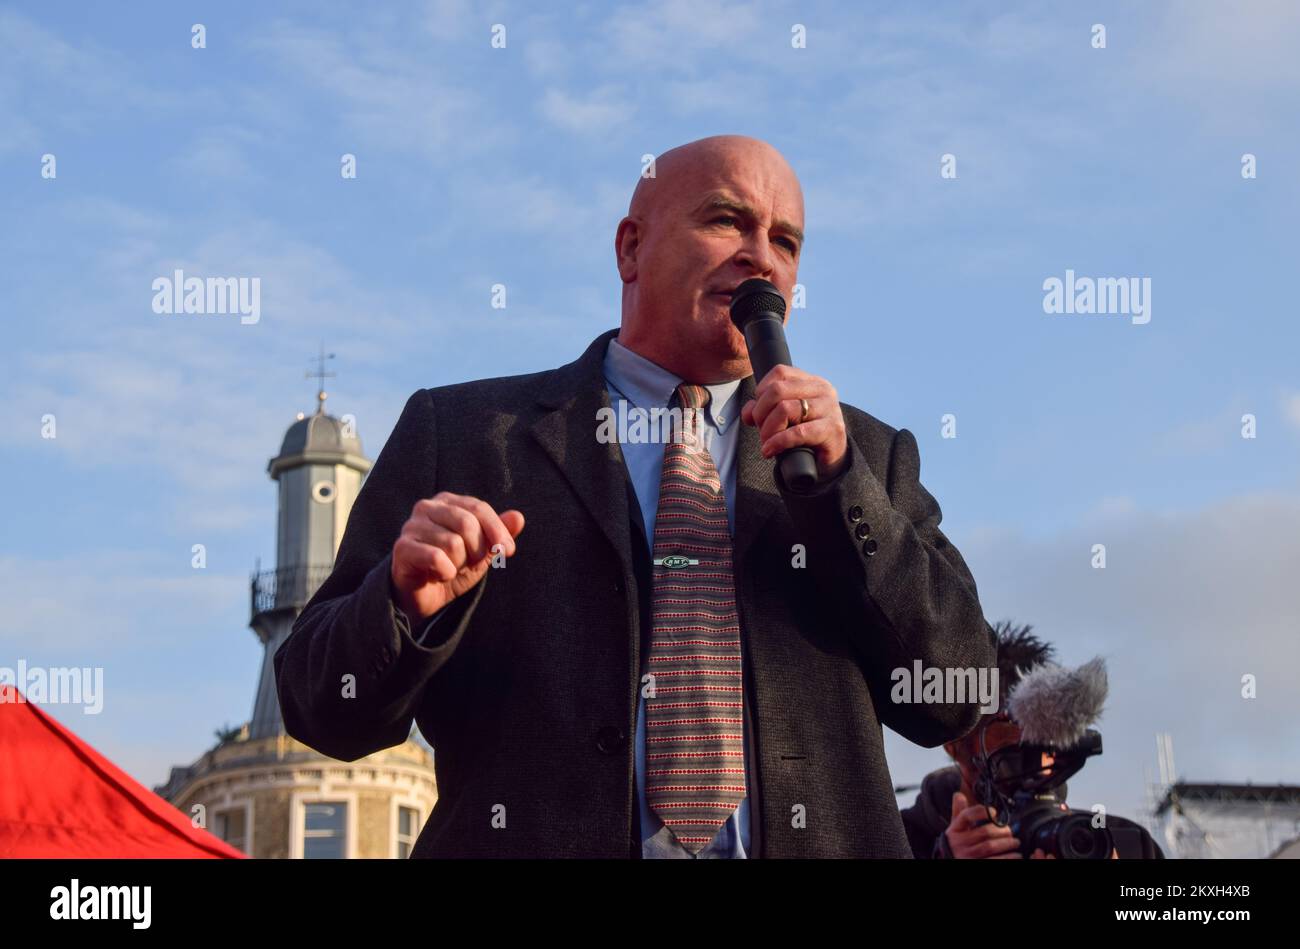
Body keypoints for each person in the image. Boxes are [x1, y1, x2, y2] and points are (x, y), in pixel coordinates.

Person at [274, 134, 995, 858]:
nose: (760, 257)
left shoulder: (863, 456)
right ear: (630, 249)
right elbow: (319, 705)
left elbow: (955, 694)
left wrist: (846, 493)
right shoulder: (464, 434)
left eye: (785, 240)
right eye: (725, 220)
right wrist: (401, 605)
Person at [900, 621, 1163, 859]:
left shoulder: (1116, 845)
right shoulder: (897, 841)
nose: (1039, 763)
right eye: (1012, 747)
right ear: (956, 743)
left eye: (1047, 742)